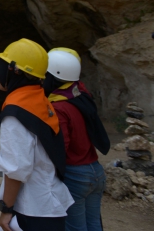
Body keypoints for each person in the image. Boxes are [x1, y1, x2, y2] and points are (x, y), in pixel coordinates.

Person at [0, 39, 74, 231]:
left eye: (4, 66)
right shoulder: (41, 102)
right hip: (50, 202)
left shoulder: (16, 114)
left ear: (15, 71)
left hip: (34, 210)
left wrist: (6, 209)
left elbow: (16, 169)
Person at [43, 48, 110, 231]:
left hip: (76, 175)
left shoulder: (59, 107)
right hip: (95, 171)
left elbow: (60, 147)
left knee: (75, 228)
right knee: (95, 225)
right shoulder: (81, 97)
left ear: (54, 77)